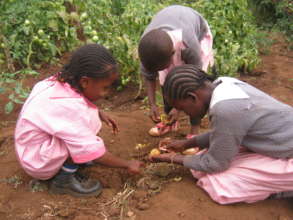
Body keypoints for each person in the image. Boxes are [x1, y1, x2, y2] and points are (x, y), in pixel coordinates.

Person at [151, 64, 293, 204]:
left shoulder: (225, 109)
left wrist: (173, 158)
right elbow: (224, 133)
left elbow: (216, 164)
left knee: (220, 184)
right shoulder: (223, 84)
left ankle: (283, 191)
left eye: (182, 108)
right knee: (202, 161)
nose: (184, 113)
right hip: (279, 144)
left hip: (289, 155)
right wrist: (187, 144)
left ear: (192, 97)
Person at [15, 44, 143, 197]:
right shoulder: (72, 108)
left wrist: (99, 112)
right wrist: (127, 164)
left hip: (29, 148)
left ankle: (66, 165)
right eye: (105, 87)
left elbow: (67, 110)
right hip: (37, 163)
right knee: (83, 140)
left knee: (85, 121)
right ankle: (63, 181)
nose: (106, 93)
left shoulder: (54, 82)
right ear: (85, 82)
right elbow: (95, 152)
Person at [138, 5, 215, 137]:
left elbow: (195, 83)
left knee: (194, 91)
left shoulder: (190, 46)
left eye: (161, 67)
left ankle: (194, 130)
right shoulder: (148, 47)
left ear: (172, 54)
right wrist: (152, 105)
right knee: (167, 81)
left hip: (197, 32)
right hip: (169, 34)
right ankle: (169, 122)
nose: (158, 71)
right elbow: (149, 75)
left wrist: (177, 108)